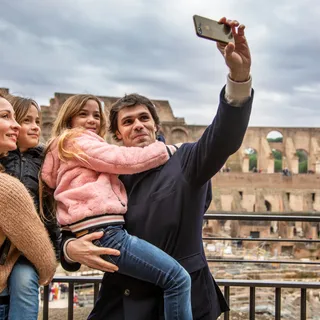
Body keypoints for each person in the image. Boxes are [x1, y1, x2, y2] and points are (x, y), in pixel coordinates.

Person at [62, 17, 253, 319]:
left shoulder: (186, 159)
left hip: (178, 300)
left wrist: (239, 77)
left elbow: (224, 136)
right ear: (117, 135)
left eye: (143, 118)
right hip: (121, 299)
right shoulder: (104, 173)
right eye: (128, 122)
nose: (137, 125)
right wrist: (69, 249)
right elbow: (69, 218)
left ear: (156, 125)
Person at [41, 94, 192, 319]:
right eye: (83, 114)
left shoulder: (65, 150)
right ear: (69, 120)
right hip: (107, 232)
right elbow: (121, 159)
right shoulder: (78, 141)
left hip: (94, 230)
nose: (92, 120)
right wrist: (168, 150)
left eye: (96, 115)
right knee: (178, 279)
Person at [0, 95, 61, 320]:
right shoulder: (3, 160)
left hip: (29, 248)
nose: (35, 127)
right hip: (6, 248)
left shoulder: (45, 161)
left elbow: (50, 213)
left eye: (38, 121)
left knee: (25, 283)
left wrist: (54, 253)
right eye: (27, 120)